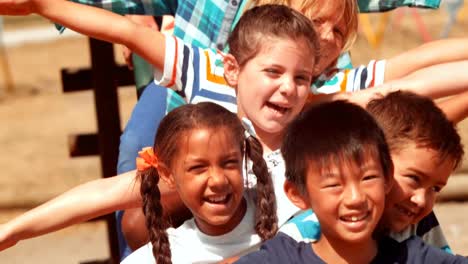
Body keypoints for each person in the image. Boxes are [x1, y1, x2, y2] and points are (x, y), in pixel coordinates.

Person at [0, 1, 467, 254]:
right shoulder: (219, 134)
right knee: (146, 209)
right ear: (234, 68)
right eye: (274, 75)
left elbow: (414, 80)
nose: (287, 88)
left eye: (300, 78)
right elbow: (126, 32)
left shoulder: (318, 114)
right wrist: (15, 231)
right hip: (203, 220)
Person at [236, 99, 468, 264]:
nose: (356, 198)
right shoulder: (288, 249)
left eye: (368, 178)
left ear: (385, 177)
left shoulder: (416, 254)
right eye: (334, 184)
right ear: (298, 194)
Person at [121, 102, 277, 264]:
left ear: (243, 156)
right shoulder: (154, 259)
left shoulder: (288, 205)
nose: (218, 180)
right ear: (168, 175)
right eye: (198, 168)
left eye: (229, 163)